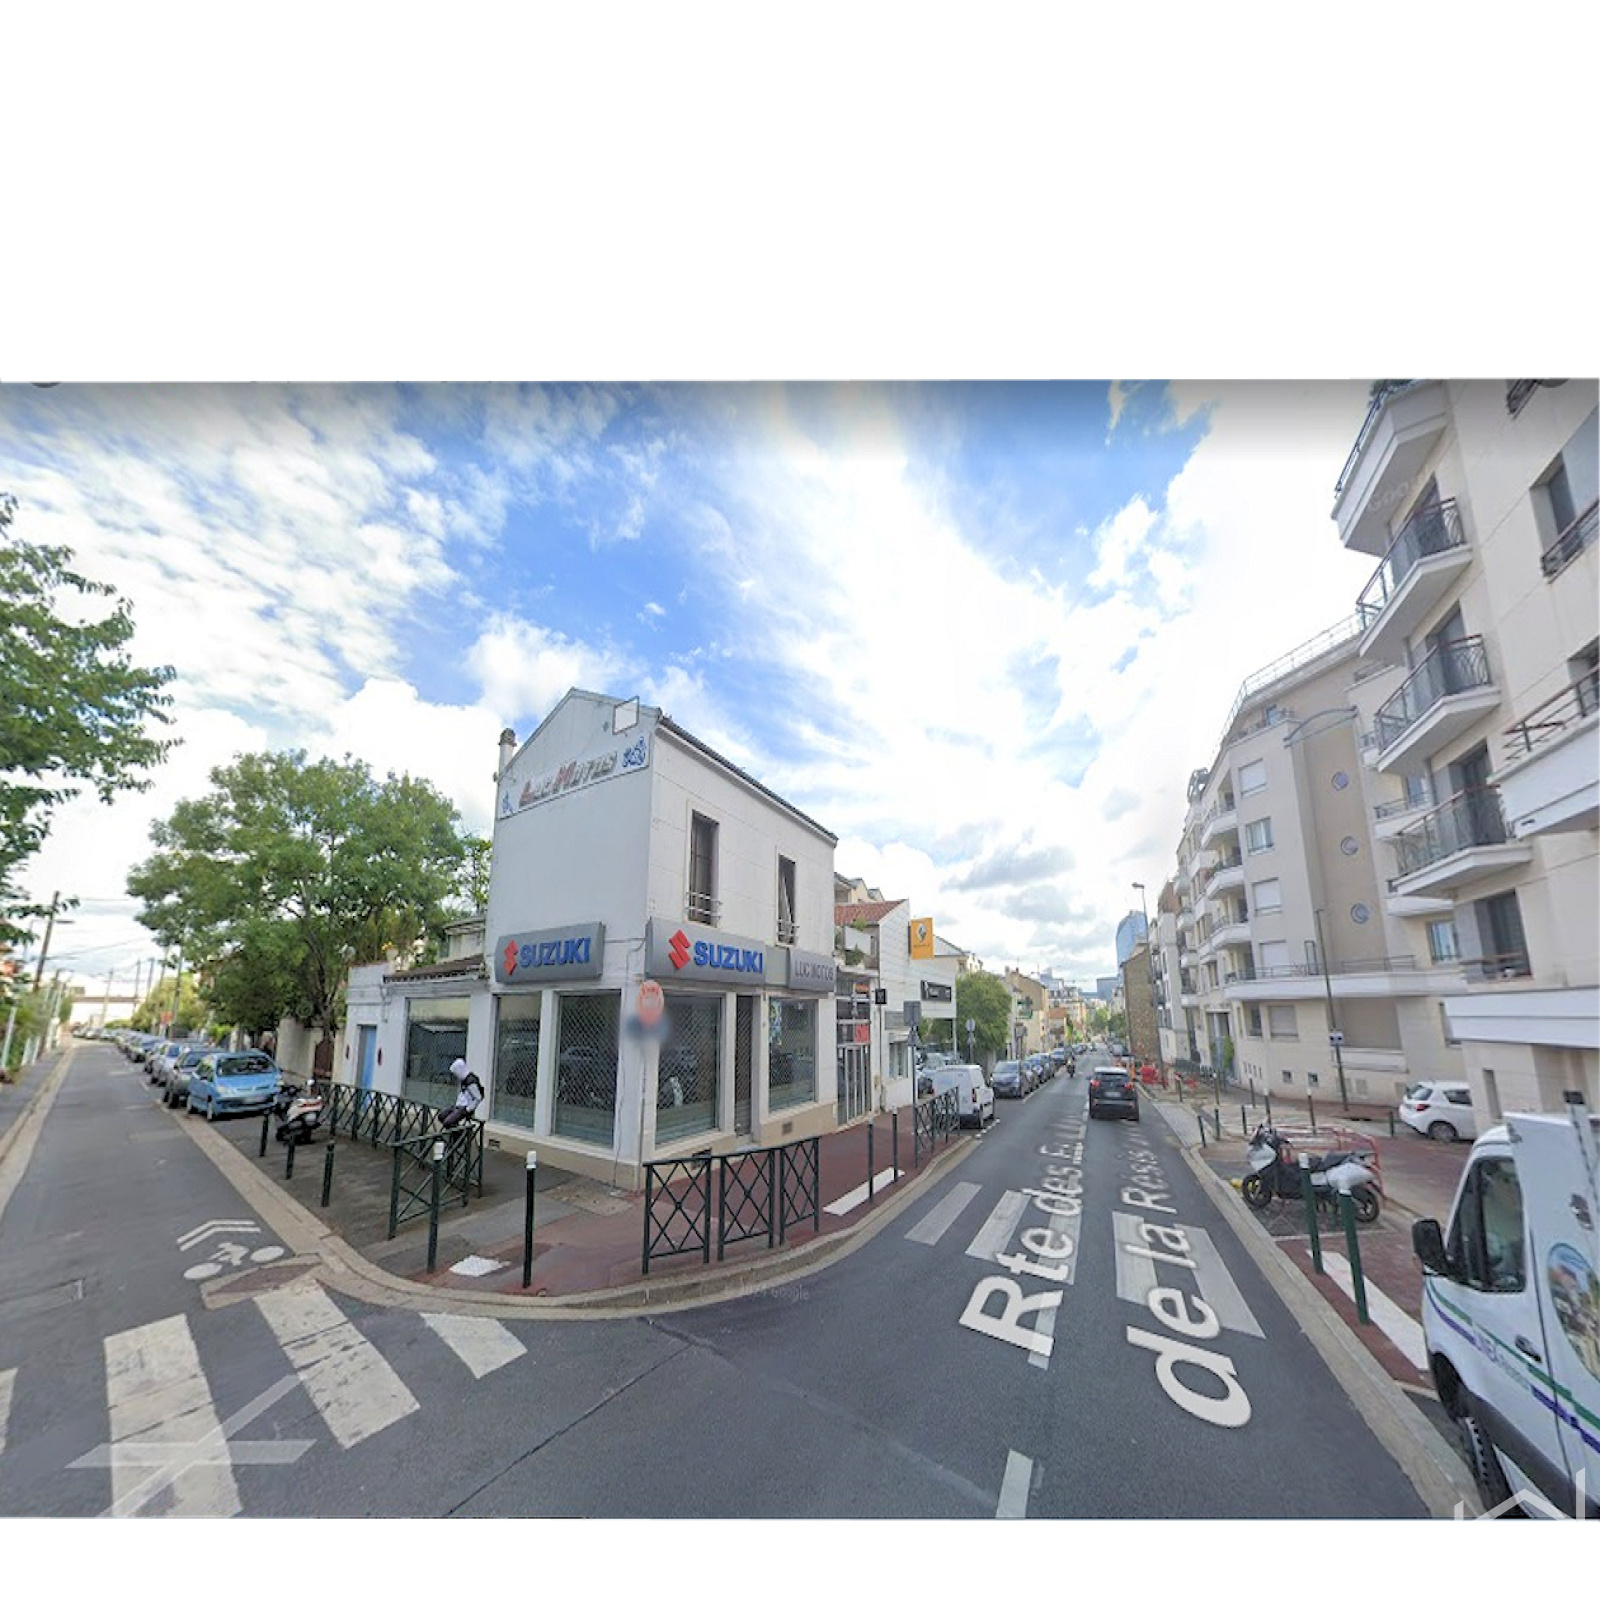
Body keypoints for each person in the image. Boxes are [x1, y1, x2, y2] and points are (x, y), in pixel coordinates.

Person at [439, 1056, 484, 1129]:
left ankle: (459, 1133)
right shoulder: (464, 1080)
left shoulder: (470, 1081)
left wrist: (469, 1109)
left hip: (464, 1108)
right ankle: (456, 1132)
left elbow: (478, 1097)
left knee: (447, 1122)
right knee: (441, 1116)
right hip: (459, 1106)